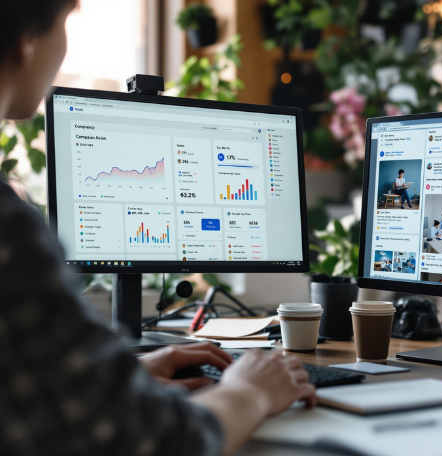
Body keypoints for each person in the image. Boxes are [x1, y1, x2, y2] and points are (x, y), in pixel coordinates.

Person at [0, 2, 315, 455]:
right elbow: (154, 442)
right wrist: (252, 391)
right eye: (66, 22)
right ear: (25, 42)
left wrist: (130, 375)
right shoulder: (9, 229)